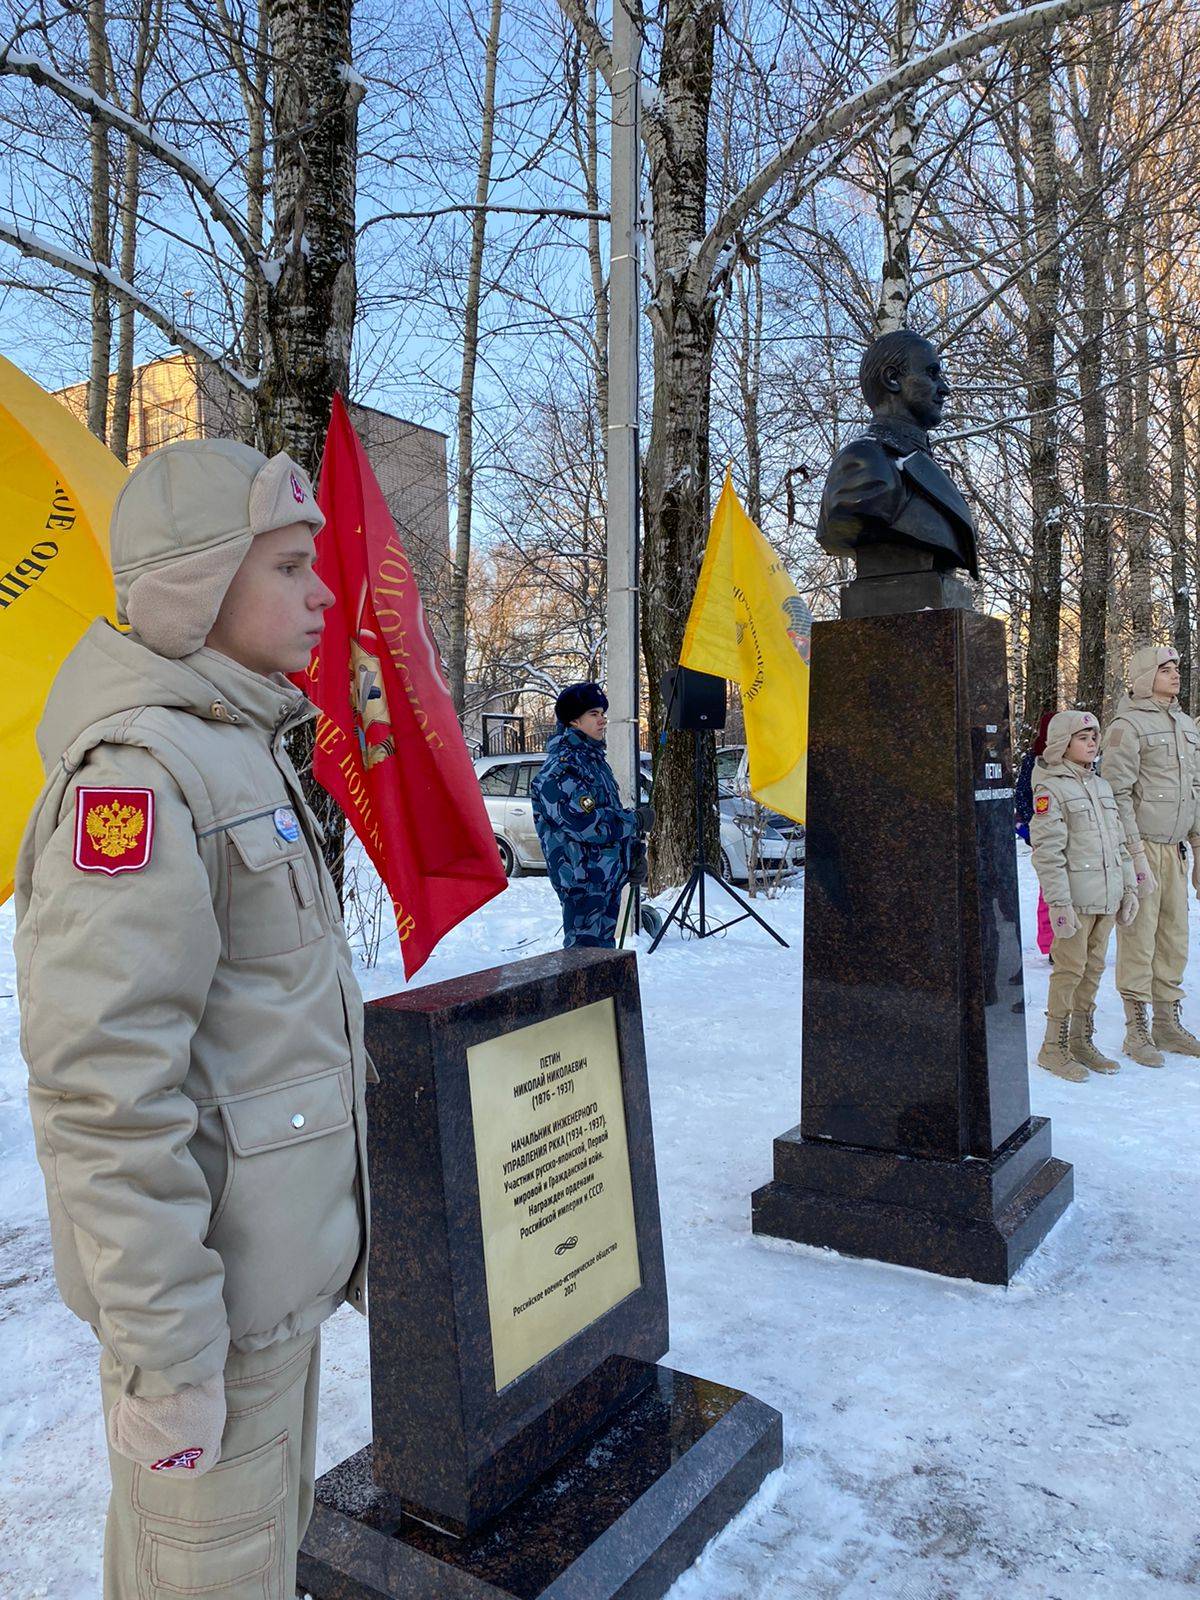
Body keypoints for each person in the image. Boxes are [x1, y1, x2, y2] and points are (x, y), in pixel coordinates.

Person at [13, 439, 371, 1598]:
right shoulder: (140, 777)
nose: (323, 595)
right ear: (197, 582)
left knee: (252, 1562)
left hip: (265, 1297)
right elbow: (103, 1095)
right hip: (207, 1322)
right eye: (289, 567)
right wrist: (168, 1359)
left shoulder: (233, 746)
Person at [1100, 644, 1200, 1067]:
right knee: (1139, 938)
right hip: (1141, 849)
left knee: (1174, 938)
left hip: (1175, 850)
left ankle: (1166, 1022)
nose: (1175, 675)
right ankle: (1136, 1028)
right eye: (1164, 669)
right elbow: (1117, 793)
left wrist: (1198, 847)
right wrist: (1135, 854)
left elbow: (1194, 789)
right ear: (1145, 677)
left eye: (1176, 668)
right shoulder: (1127, 726)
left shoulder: (1186, 725)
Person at [1029, 710, 1138, 1080]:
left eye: (1094, 737)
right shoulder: (1051, 790)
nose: (1092, 744)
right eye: (1083, 738)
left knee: (1092, 970)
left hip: (1106, 898)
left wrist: (1128, 888)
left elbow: (1120, 845)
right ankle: (1053, 1047)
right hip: (1076, 901)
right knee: (1069, 970)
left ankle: (1079, 1040)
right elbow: (1048, 852)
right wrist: (1059, 903)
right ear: (1063, 743)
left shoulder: (1101, 786)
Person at [531, 682, 653, 948]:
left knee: (603, 961)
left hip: (605, 880)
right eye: (594, 714)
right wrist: (635, 821)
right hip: (582, 885)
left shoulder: (594, 762)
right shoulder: (561, 769)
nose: (602, 720)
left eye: (602, 713)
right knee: (583, 960)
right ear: (574, 721)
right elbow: (587, 825)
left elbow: (610, 811)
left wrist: (632, 854)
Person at [1014, 709, 1056, 958]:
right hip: (1043, 833)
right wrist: (1034, 829)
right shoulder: (1035, 760)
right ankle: (1050, 943)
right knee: (1049, 888)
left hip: (1075, 835)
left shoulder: (1078, 760)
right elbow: (1022, 796)